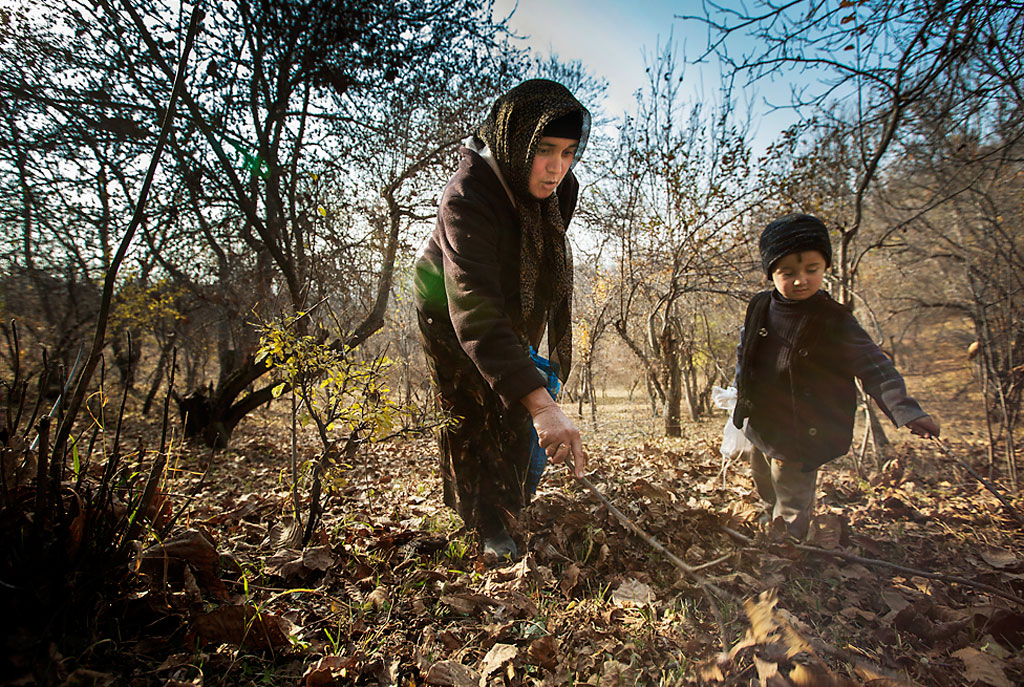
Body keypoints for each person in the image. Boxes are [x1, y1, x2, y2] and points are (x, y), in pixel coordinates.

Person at [414, 80, 590, 559]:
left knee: (514, 405)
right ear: (517, 143)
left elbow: (532, 264)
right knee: (471, 410)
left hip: (509, 303)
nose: (557, 168)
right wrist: (541, 404)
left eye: (569, 152)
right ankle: (482, 521)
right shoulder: (466, 196)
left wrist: (531, 395)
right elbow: (473, 305)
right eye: (546, 150)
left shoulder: (560, 189)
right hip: (447, 305)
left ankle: (510, 503)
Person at [733, 214, 940, 539]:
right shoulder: (760, 306)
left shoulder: (833, 320)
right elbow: (745, 352)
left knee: (792, 496)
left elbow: (874, 365)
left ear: (824, 267)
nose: (801, 280)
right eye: (788, 273)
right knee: (764, 481)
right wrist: (740, 394)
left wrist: (906, 410)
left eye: (811, 270)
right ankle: (772, 521)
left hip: (800, 429)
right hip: (762, 421)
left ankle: (788, 552)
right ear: (771, 273)